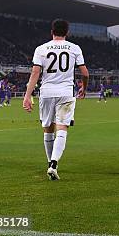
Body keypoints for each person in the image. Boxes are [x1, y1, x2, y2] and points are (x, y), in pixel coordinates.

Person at [22, 19, 89, 181]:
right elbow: (85, 73)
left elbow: (35, 73)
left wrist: (27, 95)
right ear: (67, 33)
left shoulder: (41, 49)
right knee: (62, 128)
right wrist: (83, 88)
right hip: (66, 92)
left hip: (46, 92)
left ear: (52, 32)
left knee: (48, 129)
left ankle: (49, 163)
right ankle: (54, 164)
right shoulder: (74, 48)